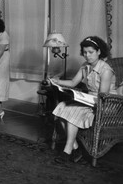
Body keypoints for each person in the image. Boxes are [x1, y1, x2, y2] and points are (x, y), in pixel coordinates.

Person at [50, 36, 117, 164]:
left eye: (91, 52)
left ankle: (67, 150)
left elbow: (103, 96)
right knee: (63, 107)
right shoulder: (85, 66)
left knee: (73, 110)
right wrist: (57, 81)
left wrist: (85, 100)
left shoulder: (106, 70)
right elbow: (73, 82)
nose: (87, 56)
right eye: (85, 52)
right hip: (90, 99)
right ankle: (76, 148)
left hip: (106, 103)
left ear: (99, 52)